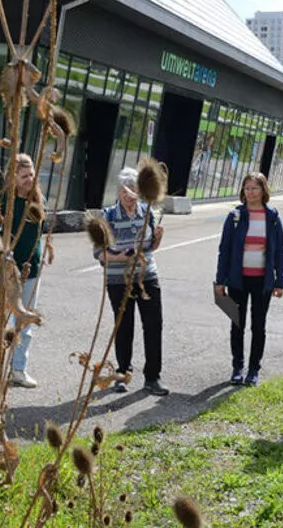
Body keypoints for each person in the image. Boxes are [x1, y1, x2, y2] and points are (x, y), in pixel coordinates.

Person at [0, 153, 54, 388]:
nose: (30, 179)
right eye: (24, 176)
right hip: (5, 271)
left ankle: (18, 369)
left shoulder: (38, 199)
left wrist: (44, 252)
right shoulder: (1, 202)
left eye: (32, 174)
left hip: (31, 270)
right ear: (12, 177)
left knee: (25, 321)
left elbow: (39, 232)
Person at [94, 167, 168, 396]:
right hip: (118, 280)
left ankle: (153, 378)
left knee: (154, 325)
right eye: (125, 191)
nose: (129, 196)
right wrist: (121, 256)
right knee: (124, 326)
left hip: (147, 276)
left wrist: (158, 239)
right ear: (119, 191)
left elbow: (150, 247)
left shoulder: (147, 212)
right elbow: (99, 253)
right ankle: (123, 373)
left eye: (134, 190)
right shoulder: (107, 216)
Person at [214, 172, 283, 387]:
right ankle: (237, 367)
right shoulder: (235, 216)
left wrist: (280, 281)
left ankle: (254, 369)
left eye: (255, 188)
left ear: (263, 190)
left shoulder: (272, 217)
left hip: (263, 282)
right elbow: (224, 250)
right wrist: (220, 280)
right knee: (237, 324)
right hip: (237, 280)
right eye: (247, 188)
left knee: (258, 326)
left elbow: (280, 251)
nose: (250, 192)